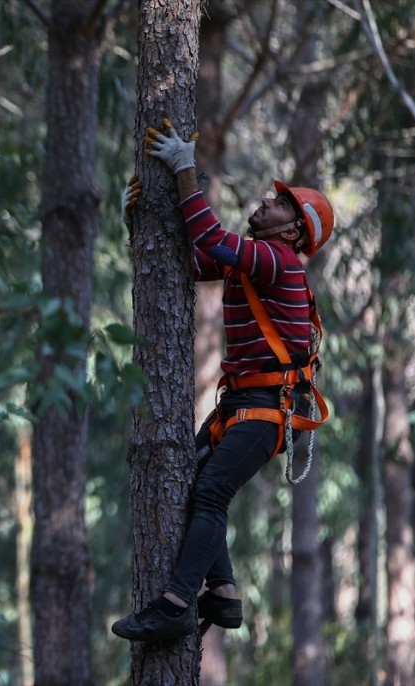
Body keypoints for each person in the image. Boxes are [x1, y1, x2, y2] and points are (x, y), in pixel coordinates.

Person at [112, 121, 334, 642]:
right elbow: (182, 265)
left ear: (293, 231)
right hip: (246, 407)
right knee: (197, 484)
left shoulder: (277, 261)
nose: (266, 202)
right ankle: (224, 592)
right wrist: (137, 221)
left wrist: (184, 167)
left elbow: (210, 237)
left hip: (264, 411)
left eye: (280, 204)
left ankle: (173, 603)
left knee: (209, 491)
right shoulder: (256, 263)